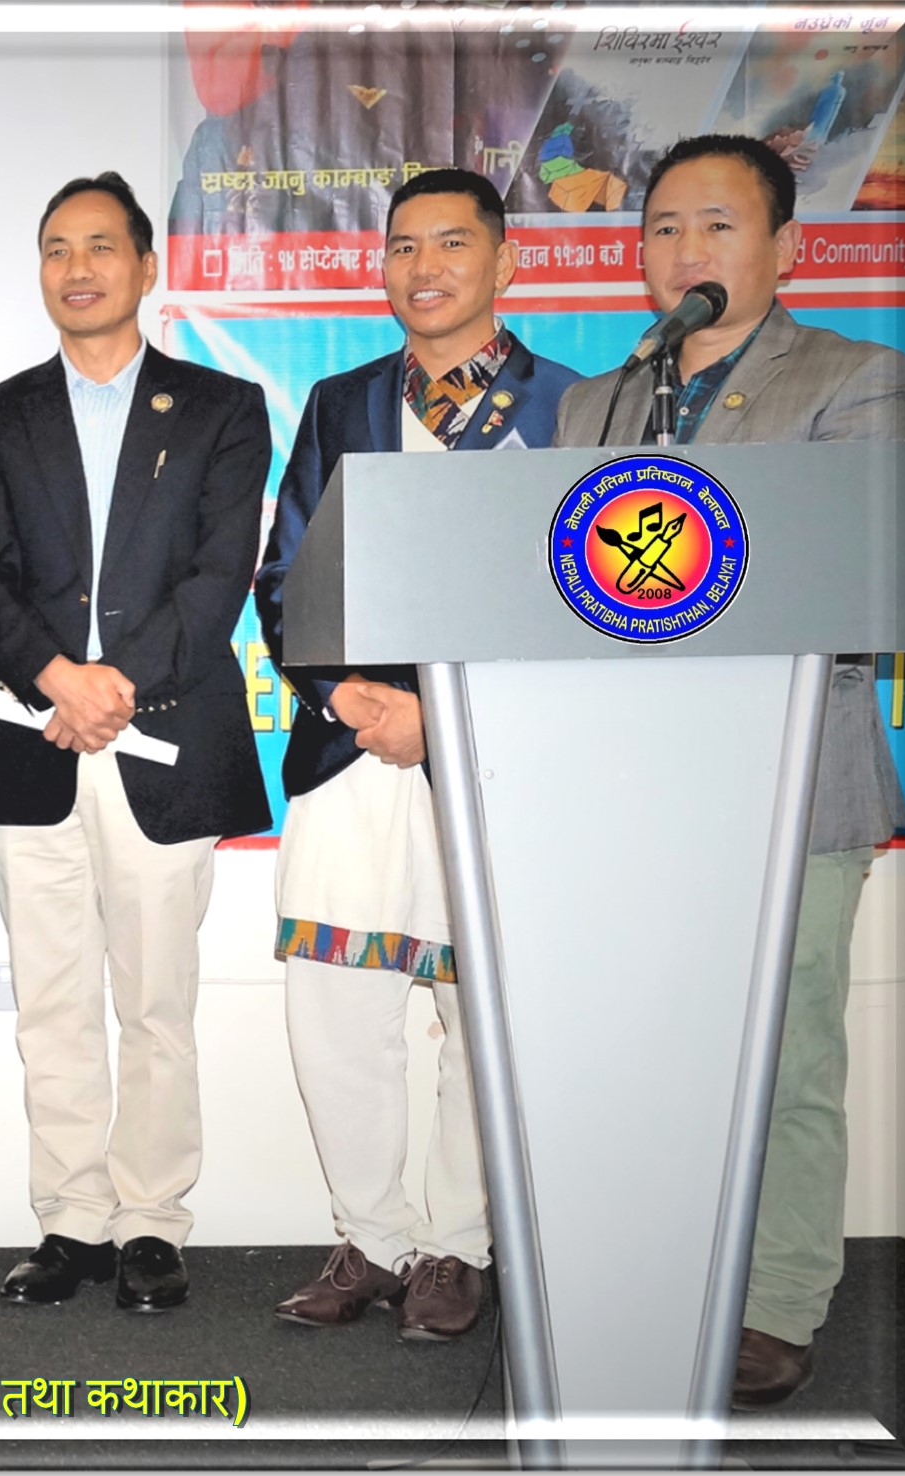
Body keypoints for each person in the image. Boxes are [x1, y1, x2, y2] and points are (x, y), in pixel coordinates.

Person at [552, 133, 905, 1407]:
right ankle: (654, 1271)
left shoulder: (855, 376)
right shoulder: (594, 404)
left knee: (787, 1057)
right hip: (631, 791)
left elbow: (864, 568)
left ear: (784, 248)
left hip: (791, 779)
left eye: (714, 225)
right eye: (660, 227)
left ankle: (775, 1301)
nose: (683, 250)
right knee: (647, 1048)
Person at [252, 168, 583, 1340]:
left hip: (497, 759)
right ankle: (372, 1238)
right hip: (349, 746)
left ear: (505, 261)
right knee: (333, 1007)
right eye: (402, 247)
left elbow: (590, 603)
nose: (422, 267)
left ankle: (456, 1247)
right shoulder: (339, 402)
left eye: (450, 243)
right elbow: (285, 573)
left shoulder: (572, 409)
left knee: (479, 1013)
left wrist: (443, 719)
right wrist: (341, 693)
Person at [0, 173, 273, 1315]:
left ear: (146, 265)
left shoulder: (223, 408)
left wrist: (114, 688)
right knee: (50, 1003)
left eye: (98, 246)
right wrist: (54, 677)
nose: (76, 267)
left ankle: (148, 1223)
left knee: (154, 1003)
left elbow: (219, 575)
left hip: (162, 736)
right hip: (28, 734)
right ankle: (71, 1222)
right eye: (55, 248)